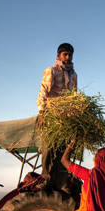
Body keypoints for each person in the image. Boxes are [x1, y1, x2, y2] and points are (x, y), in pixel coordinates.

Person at [36, 42, 78, 190]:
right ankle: (46, 178)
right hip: (51, 115)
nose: (67, 57)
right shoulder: (52, 71)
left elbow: (74, 97)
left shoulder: (74, 75)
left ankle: (61, 181)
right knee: (48, 147)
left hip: (65, 118)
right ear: (58, 56)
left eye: (70, 54)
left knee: (63, 149)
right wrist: (42, 112)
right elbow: (43, 91)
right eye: (64, 54)